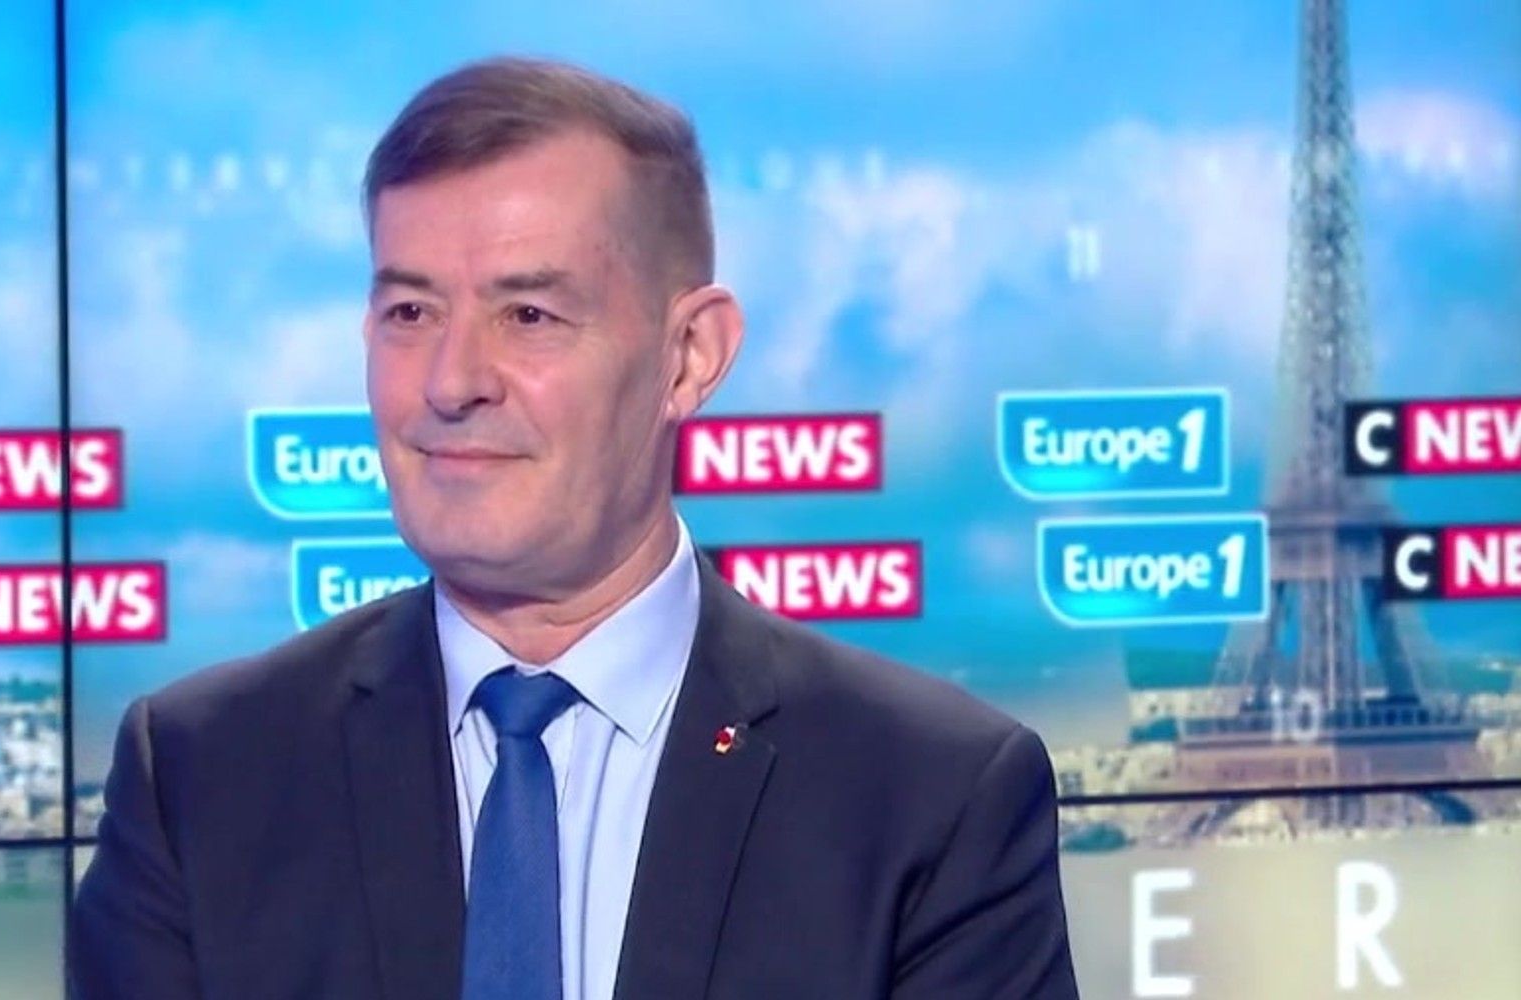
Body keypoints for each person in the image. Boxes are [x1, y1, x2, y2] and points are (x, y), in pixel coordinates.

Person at [70, 56, 1079, 1000]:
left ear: (689, 355)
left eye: (529, 316)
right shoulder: (201, 777)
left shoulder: (930, 798)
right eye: (412, 313)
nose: (451, 382)